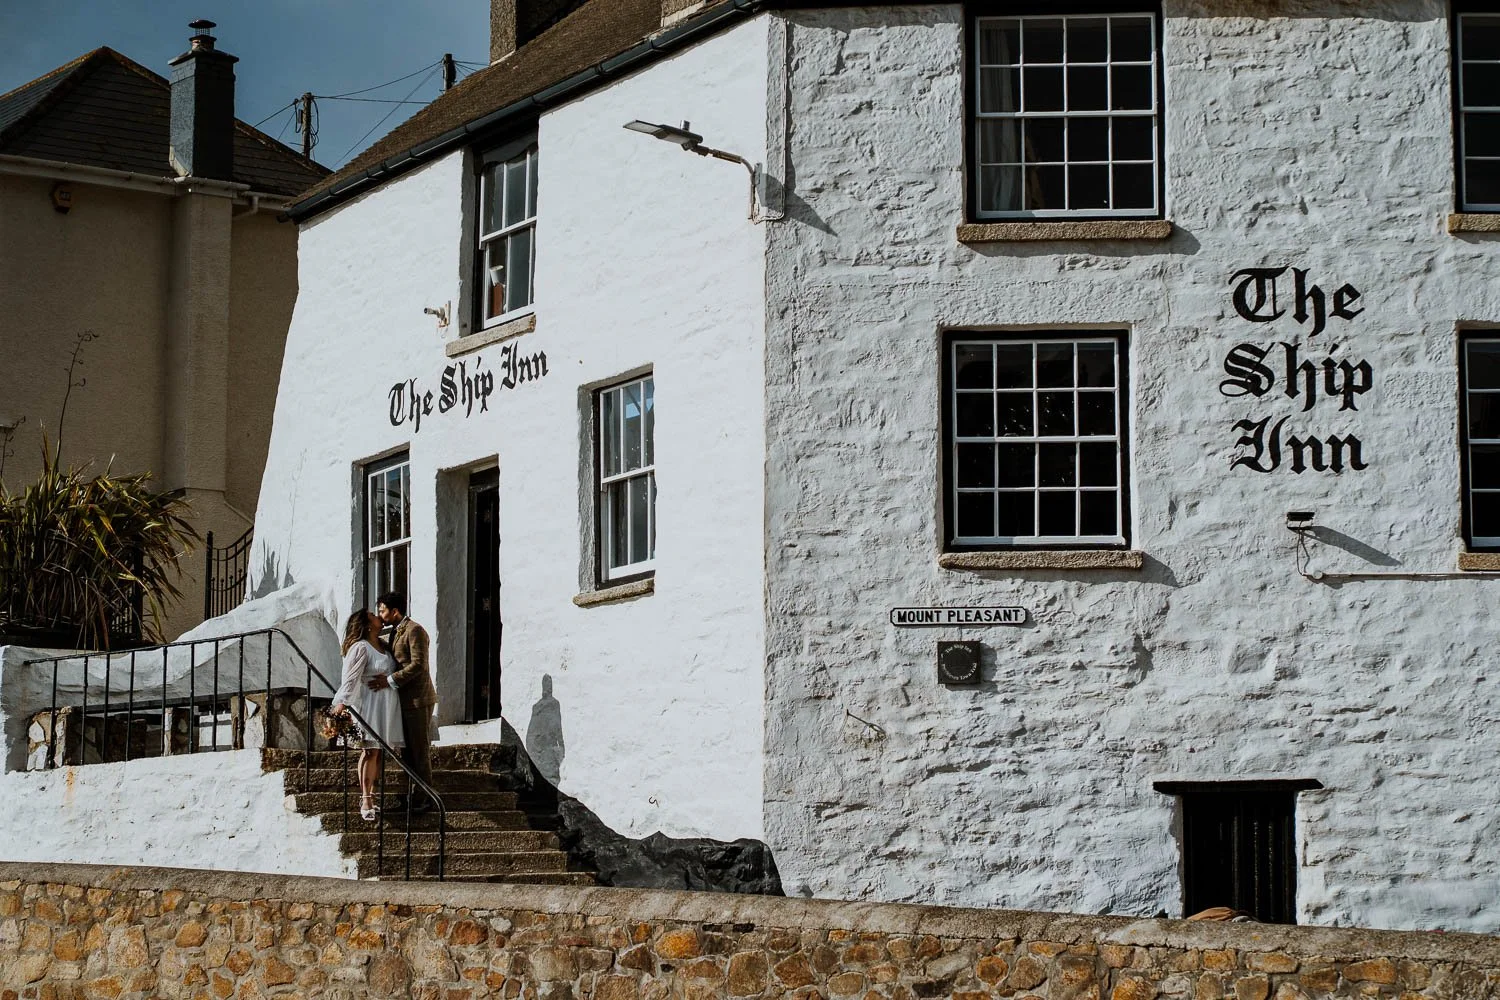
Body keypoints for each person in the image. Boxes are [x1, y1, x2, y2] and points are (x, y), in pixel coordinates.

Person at [367, 591, 437, 812]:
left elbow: (418, 665)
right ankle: (411, 794)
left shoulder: (414, 630)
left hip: (418, 699)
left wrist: (389, 681)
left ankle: (426, 798)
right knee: (406, 752)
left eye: (382, 610)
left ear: (395, 611)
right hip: (402, 701)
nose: (380, 614)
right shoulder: (394, 632)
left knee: (419, 750)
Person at [332, 609, 403, 821]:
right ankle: (366, 798)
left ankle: (371, 793)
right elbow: (351, 677)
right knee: (370, 751)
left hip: (387, 703)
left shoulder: (383, 646)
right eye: (373, 614)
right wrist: (341, 703)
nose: (378, 616)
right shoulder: (360, 647)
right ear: (367, 623)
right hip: (371, 702)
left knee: (379, 752)